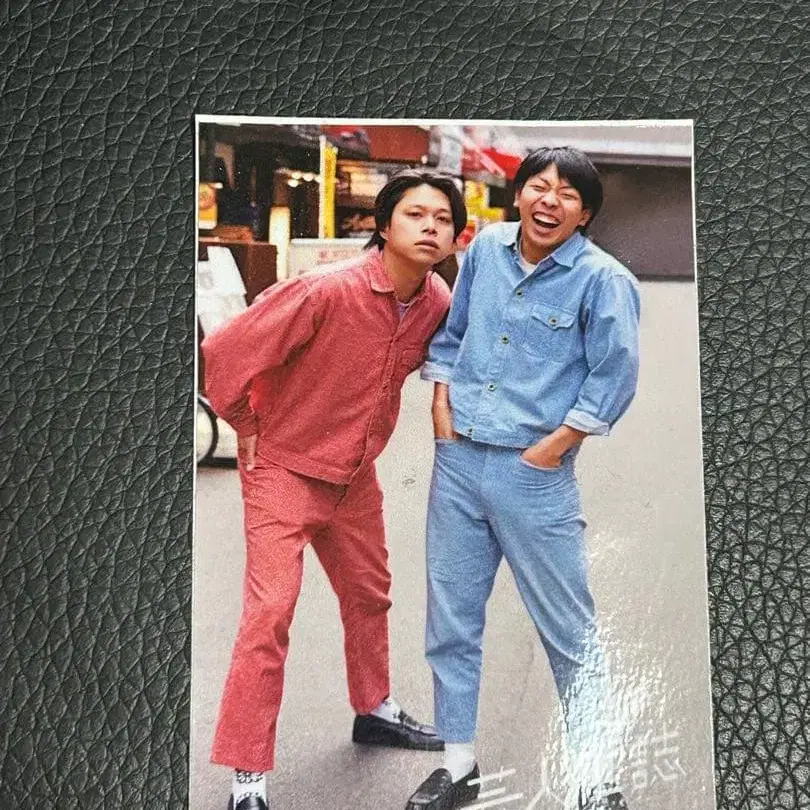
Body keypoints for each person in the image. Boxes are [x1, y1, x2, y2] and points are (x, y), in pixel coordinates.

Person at [202, 169, 467, 810]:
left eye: (442, 219)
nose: (430, 227)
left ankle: (373, 708)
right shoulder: (326, 290)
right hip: (284, 469)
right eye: (415, 215)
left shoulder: (435, 300)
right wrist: (245, 425)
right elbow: (226, 351)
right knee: (269, 616)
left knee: (370, 593)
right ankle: (247, 777)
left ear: (456, 236)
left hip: (354, 477)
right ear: (383, 226)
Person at [405, 147, 641, 810]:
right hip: (459, 463)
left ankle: (596, 779)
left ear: (584, 214)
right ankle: (457, 766)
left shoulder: (604, 280)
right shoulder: (486, 250)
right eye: (540, 186)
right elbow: (453, 334)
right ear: (519, 194)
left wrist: (556, 445)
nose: (550, 201)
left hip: (534, 476)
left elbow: (614, 375)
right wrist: (441, 408)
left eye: (568, 195)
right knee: (451, 622)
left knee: (570, 633)